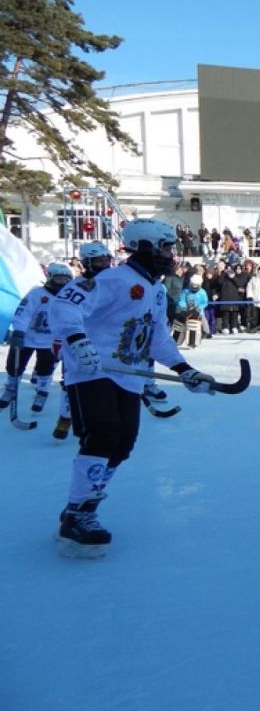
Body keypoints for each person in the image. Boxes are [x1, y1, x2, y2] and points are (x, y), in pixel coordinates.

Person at [48, 219, 216, 558]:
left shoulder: (154, 288)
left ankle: (83, 505)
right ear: (143, 247)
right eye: (165, 247)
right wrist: (78, 341)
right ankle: (78, 515)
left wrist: (184, 370)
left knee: (123, 443)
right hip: (93, 371)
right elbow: (64, 305)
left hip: (128, 374)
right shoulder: (111, 279)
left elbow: (157, 337)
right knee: (103, 434)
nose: (170, 254)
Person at [53, 242, 113, 439]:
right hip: (80, 344)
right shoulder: (78, 286)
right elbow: (63, 315)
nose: (104, 265)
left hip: (107, 344)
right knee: (73, 380)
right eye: (99, 261)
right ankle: (66, 417)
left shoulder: (113, 282)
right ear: (87, 263)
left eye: (106, 260)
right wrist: (63, 341)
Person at [0, 262, 73, 414]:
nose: (63, 283)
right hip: (27, 337)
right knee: (15, 365)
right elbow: (23, 312)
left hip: (50, 341)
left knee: (45, 368)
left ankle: (42, 391)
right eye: (59, 279)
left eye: (66, 279)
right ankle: (11, 388)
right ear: (50, 278)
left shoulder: (69, 296)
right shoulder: (36, 294)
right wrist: (19, 331)